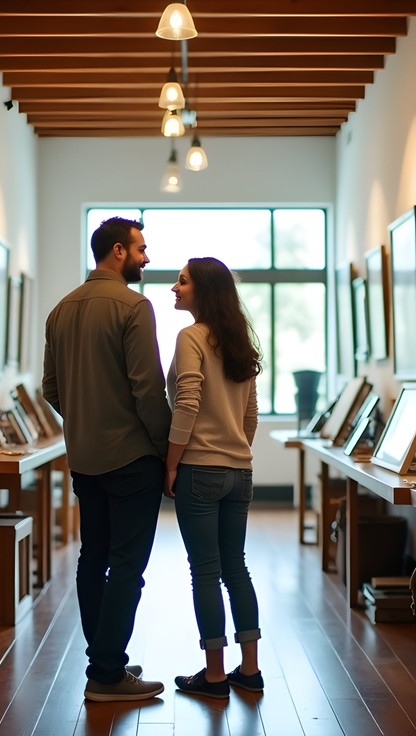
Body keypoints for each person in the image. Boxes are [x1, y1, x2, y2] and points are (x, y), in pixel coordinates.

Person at [42, 217, 172, 703]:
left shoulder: (60, 310)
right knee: (126, 566)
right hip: (133, 458)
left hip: (85, 459)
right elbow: (147, 390)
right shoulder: (134, 307)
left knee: (92, 557)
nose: (146, 257)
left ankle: (104, 661)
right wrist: (164, 450)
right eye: (141, 248)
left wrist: (84, 418)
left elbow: (50, 388)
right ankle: (108, 676)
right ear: (118, 251)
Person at [164, 257, 265, 698]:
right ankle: (251, 669)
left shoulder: (191, 337)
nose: (174, 287)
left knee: (205, 572)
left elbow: (186, 404)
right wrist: (235, 451)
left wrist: (171, 463)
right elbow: (251, 415)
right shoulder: (238, 339)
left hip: (199, 471)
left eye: (182, 281)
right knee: (236, 569)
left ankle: (214, 676)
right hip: (239, 472)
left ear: (202, 290)